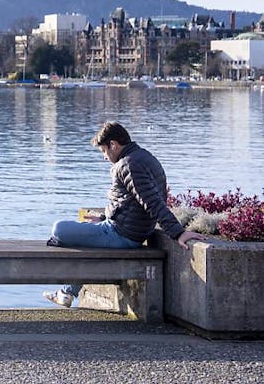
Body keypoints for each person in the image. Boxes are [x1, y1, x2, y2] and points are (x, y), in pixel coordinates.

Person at [43, 121, 206, 308]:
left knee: (59, 229)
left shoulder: (128, 165)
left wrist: (178, 233)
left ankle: (66, 292)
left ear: (113, 144)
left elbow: (153, 202)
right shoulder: (144, 157)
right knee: (88, 243)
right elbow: (129, 202)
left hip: (121, 234)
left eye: (104, 151)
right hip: (128, 229)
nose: (104, 157)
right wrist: (103, 217)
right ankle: (67, 293)